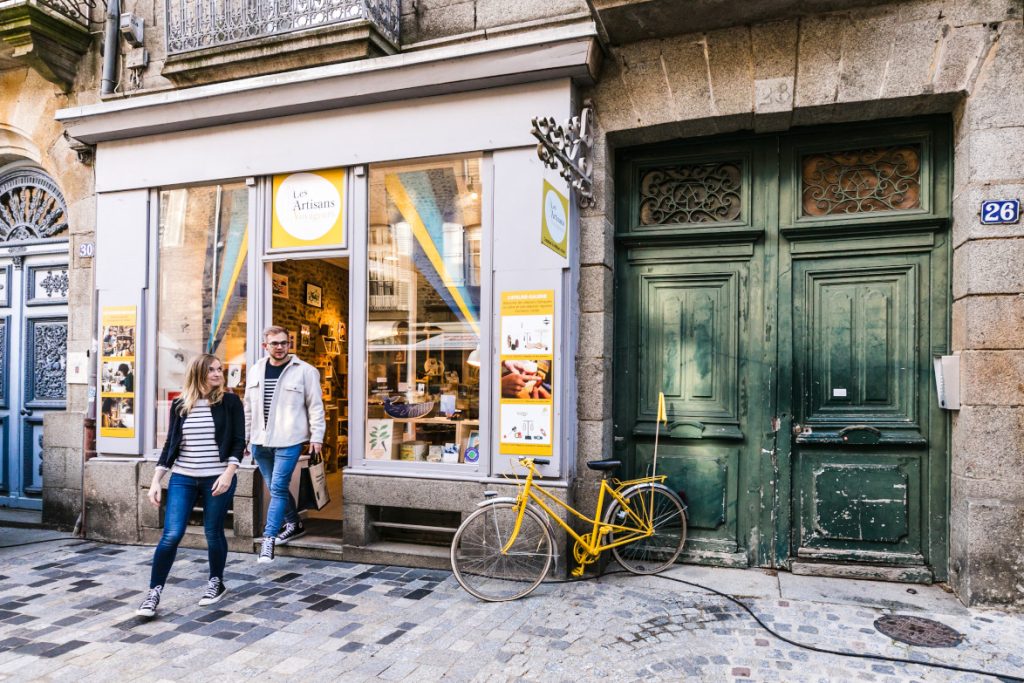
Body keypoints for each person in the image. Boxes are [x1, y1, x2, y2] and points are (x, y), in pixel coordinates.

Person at [136, 354, 244, 618]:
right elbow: (170, 445)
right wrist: (155, 481)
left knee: (212, 531)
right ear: (198, 374)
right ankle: (154, 593)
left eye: (220, 369)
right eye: (212, 370)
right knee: (171, 534)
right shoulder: (180, 405)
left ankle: (216, 582)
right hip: (183, 477)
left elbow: (239, 442)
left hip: (217, 477)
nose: (218, 374)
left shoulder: (230, 402)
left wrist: (228, 474)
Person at [244, 325, 325, 563]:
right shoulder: (256, 370)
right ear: (265, 346)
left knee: (278, 487)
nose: (280, 347)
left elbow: (315, 407)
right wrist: (246, 438)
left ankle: (268, 539)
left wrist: (317, 437)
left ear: (289, 344)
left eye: (284, 343)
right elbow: (248, 407)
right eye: (274, 343)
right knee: (275, 487)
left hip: (289, 440)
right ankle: (294, 523)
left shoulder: (305, 371)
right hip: (260, 442)